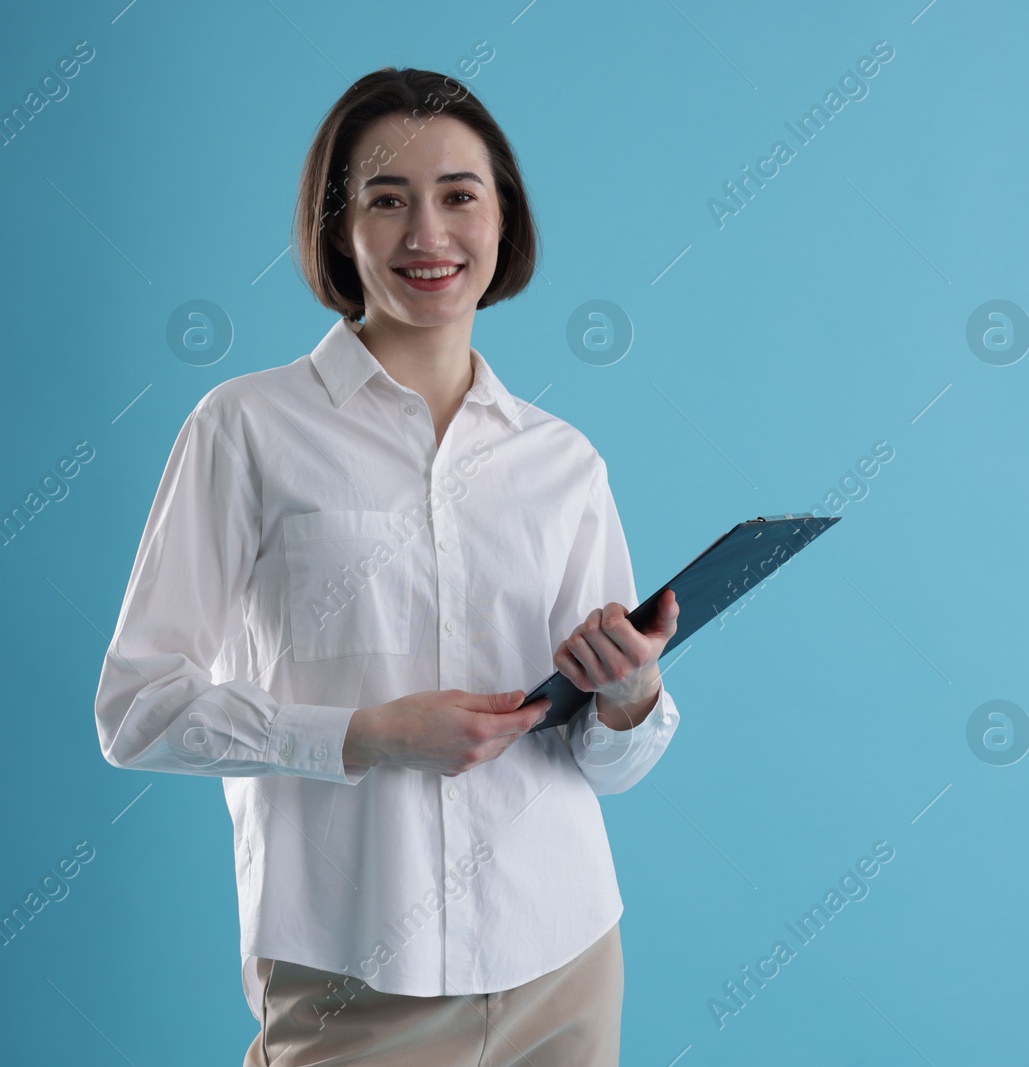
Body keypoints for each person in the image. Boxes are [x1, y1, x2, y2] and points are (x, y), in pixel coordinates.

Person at [92, 67, 681, 1067]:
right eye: (386, 200)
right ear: (338, 229)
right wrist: (364, 735)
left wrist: (631, 695)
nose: (427, 234)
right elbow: (136, 711)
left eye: (459, 195)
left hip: (566, 954)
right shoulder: (245, 430)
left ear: (505, 218)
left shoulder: (563, 460)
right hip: (351, 973)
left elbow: (607, 766)